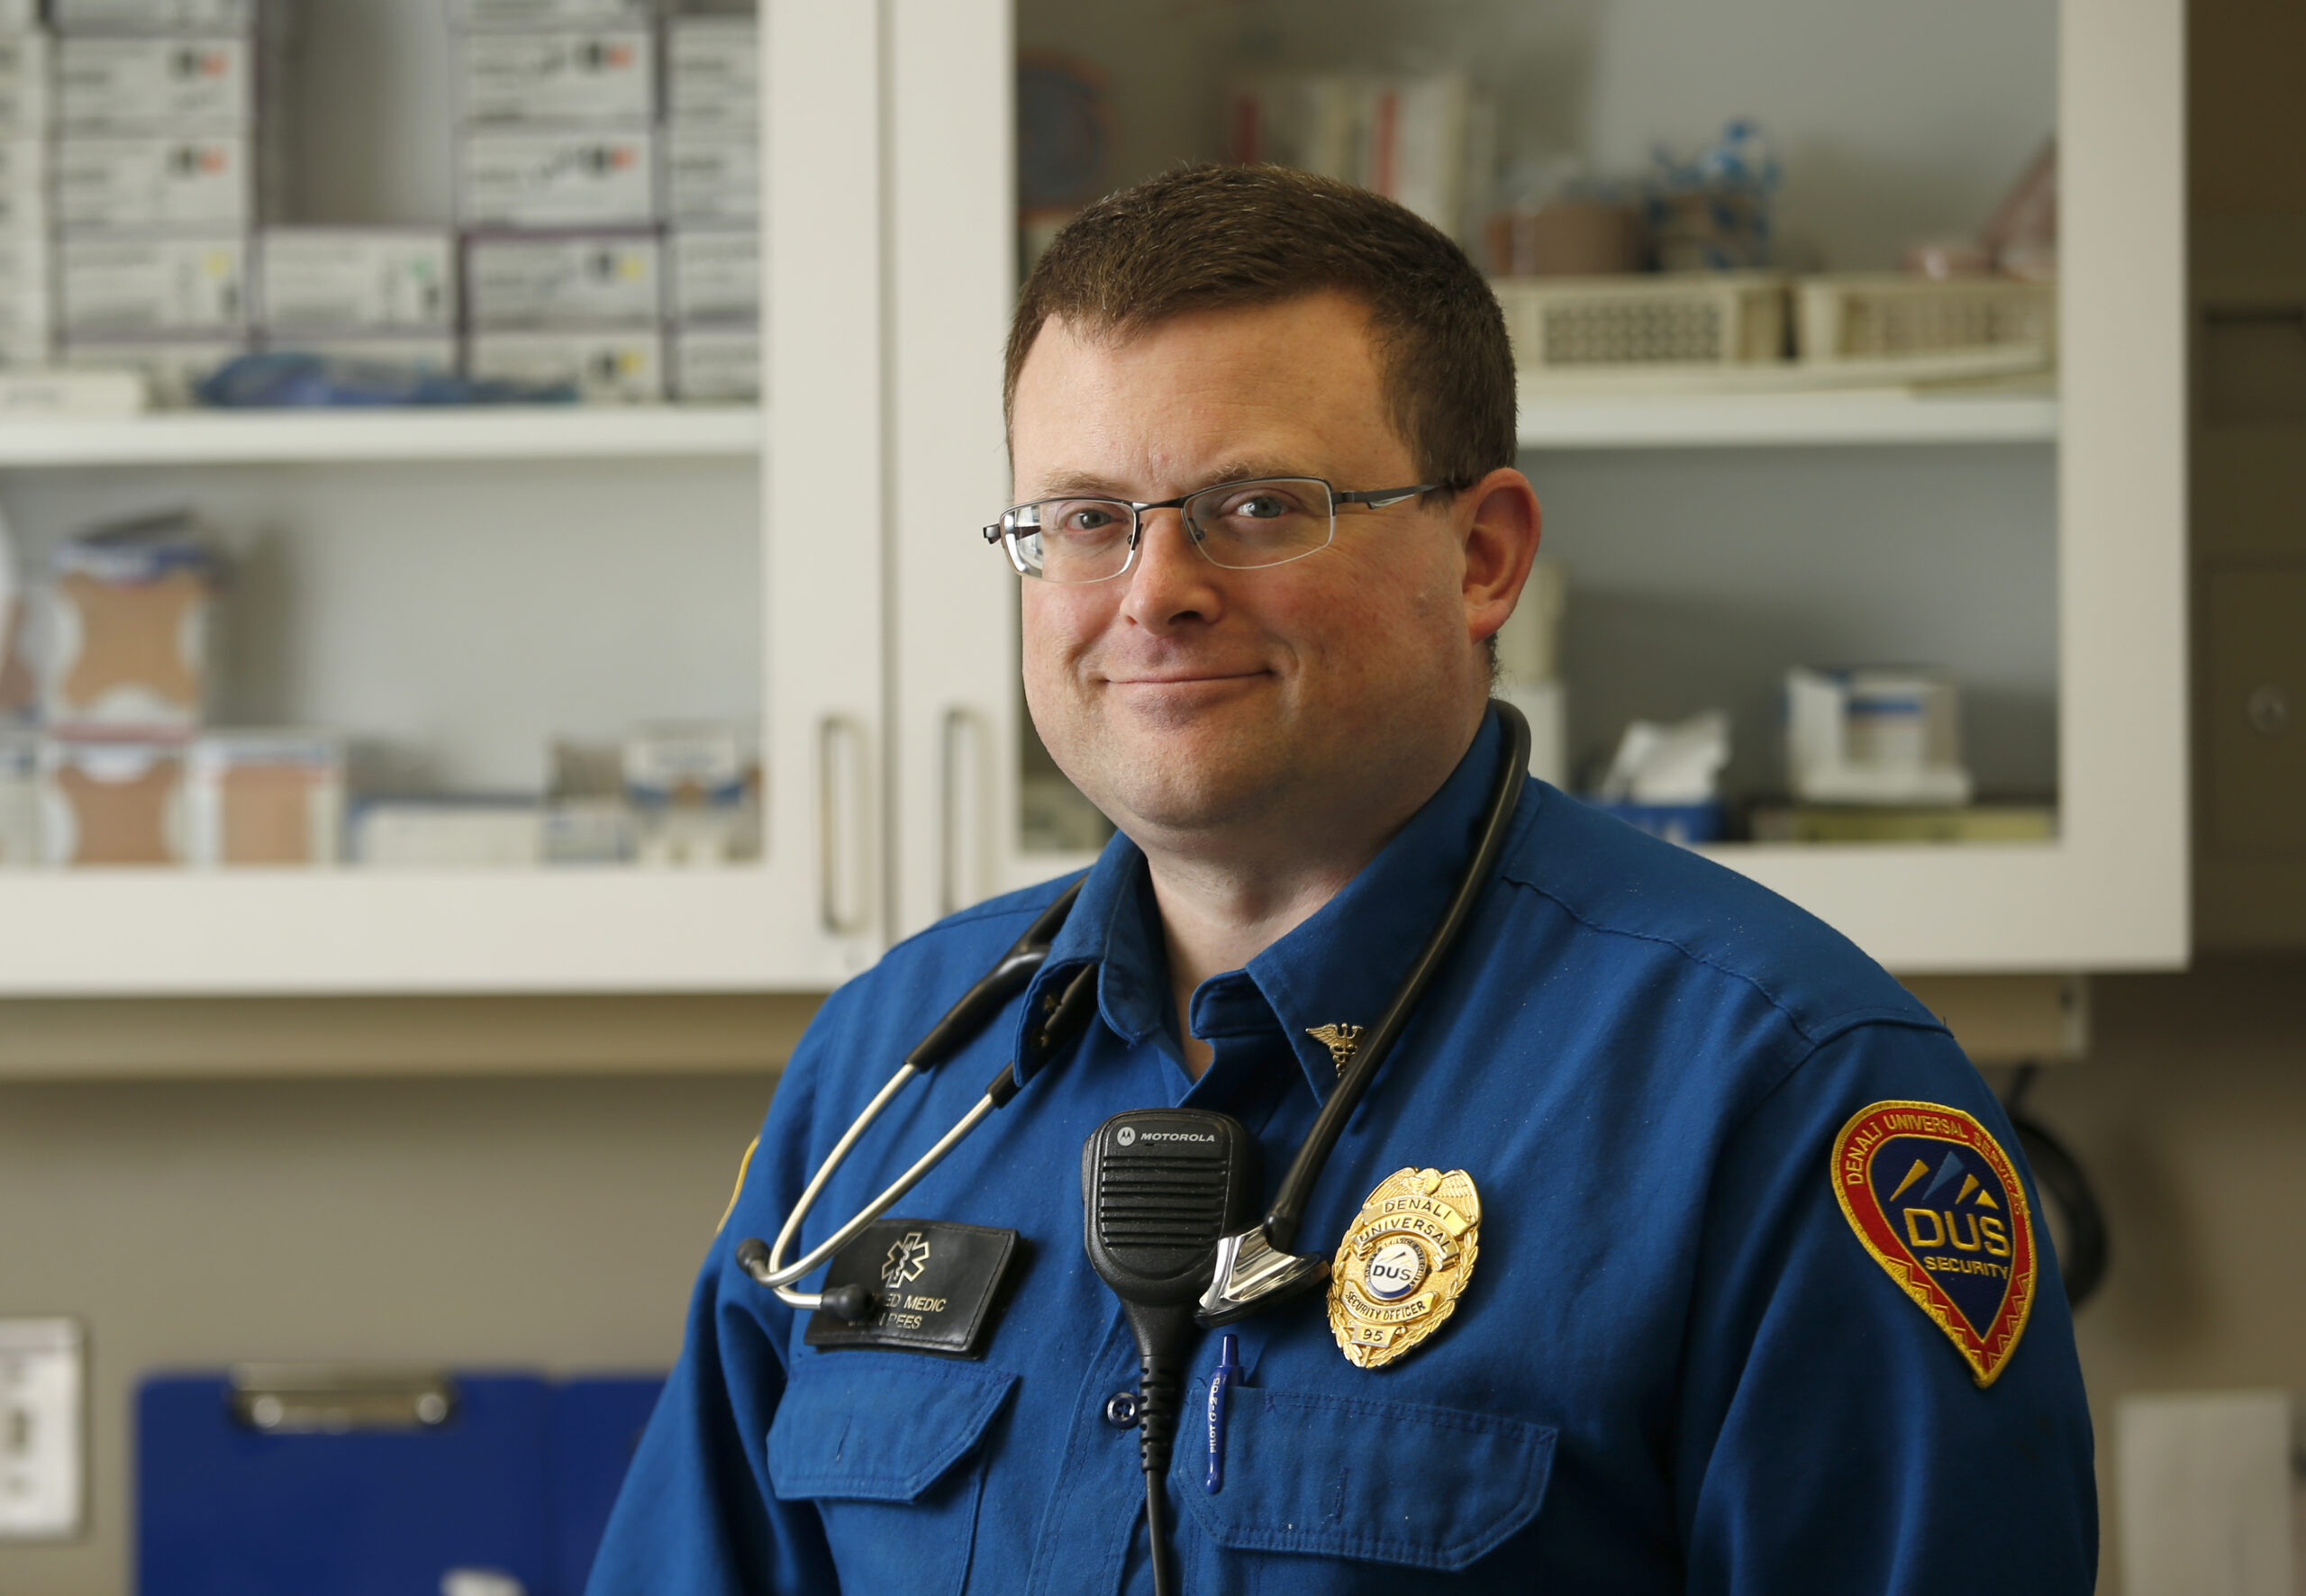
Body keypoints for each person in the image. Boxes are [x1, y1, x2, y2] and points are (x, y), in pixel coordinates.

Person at [589, 164, 2096, 1594]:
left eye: (1258, 508)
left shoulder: (1782, 1102)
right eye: (1084, 520)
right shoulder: (889, 1072)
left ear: (1487, 556)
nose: (1154, 592)